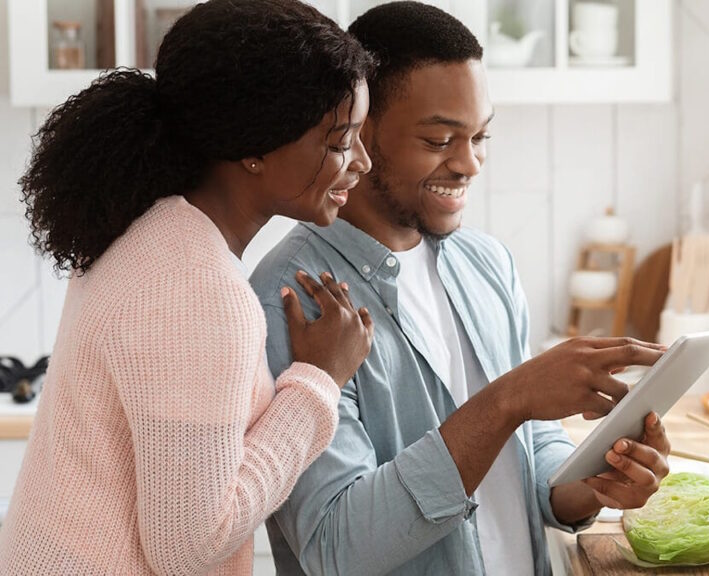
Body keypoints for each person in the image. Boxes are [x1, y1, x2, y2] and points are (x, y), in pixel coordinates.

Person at [249, 2, 672, 574]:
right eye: (440, 139)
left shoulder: (487, 263)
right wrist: (508, 400)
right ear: (362, 132)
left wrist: (592, 484)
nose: (469, 163)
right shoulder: (291, 298)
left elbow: (533, 453)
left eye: (479, 136)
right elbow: (337, 546)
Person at [0, 1, 375, 574]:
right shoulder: (198, 289)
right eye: (339, 140)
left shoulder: (147, 223)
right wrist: (318, 383)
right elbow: (189, 544)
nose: (361, 162)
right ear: (254, 149)